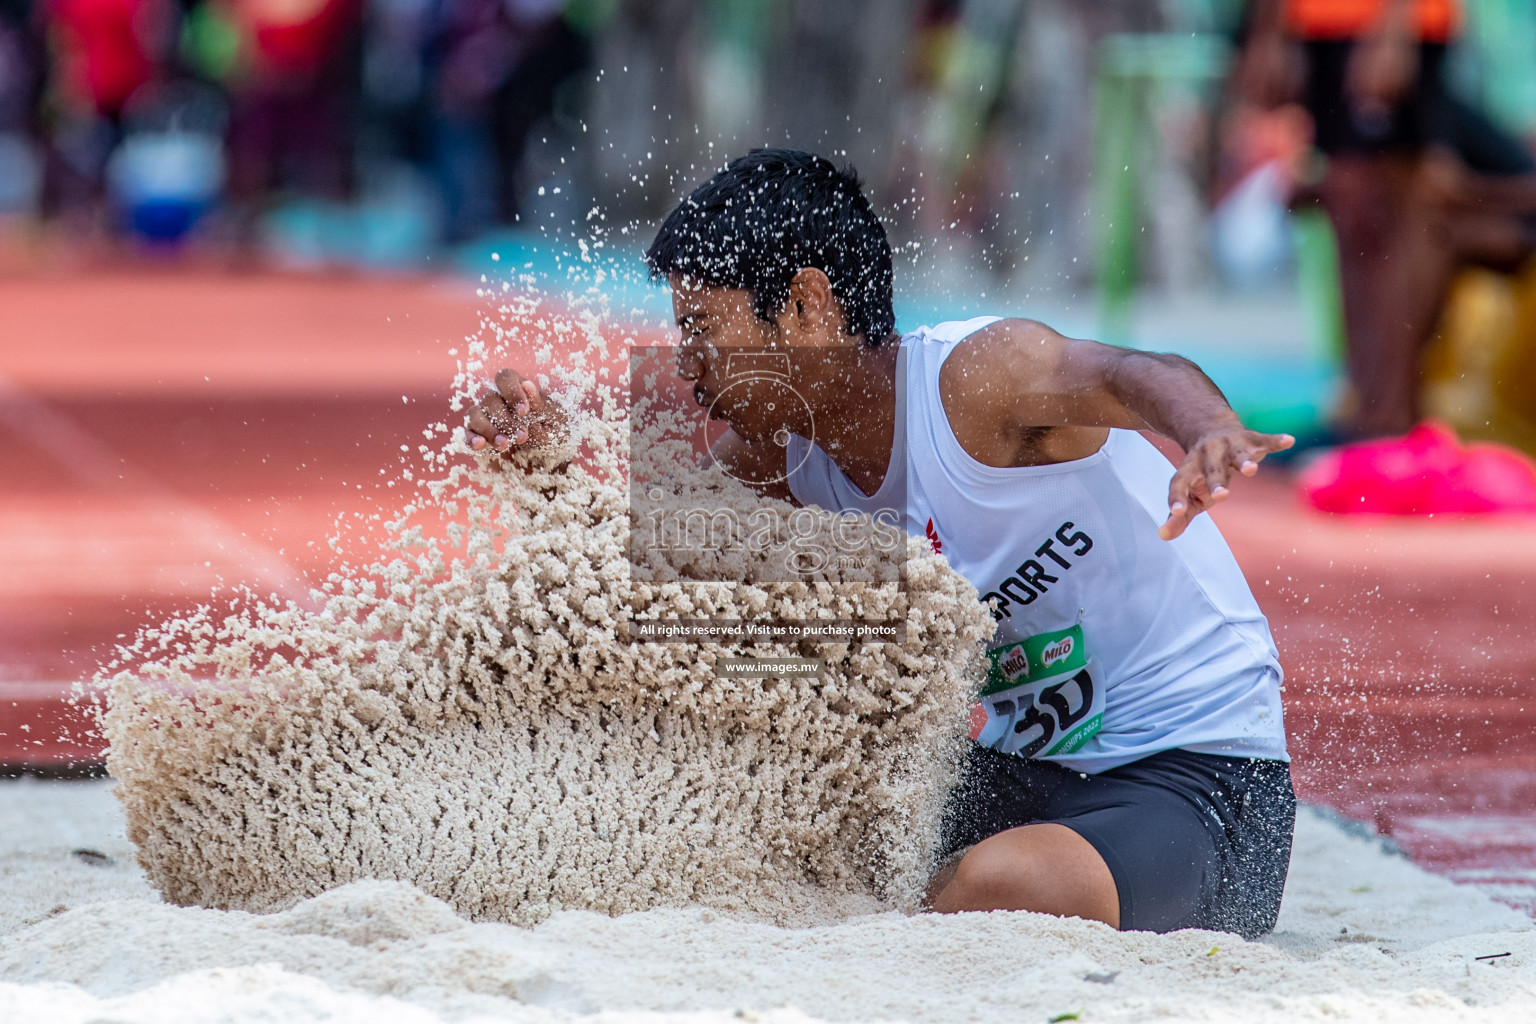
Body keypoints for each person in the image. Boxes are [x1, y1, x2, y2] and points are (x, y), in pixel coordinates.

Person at [464, 149, 1297, 938]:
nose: (686, 365)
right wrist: (548, 475)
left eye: (701, 328)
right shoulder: (770, 460)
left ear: (806, 306)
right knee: (746, 804)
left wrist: (1208, 431)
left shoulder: (977, 381)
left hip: (1199, 778)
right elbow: (652, 613)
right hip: (1014, 776)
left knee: (997, 889)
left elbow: (1127, 374)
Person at [1240, 0, 1536, 438]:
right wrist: (1273, 27)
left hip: (1390, 25)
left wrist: (1397, 23)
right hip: (1327, 22)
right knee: (1356, 208)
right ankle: (1370, 406)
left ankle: (1389, 414)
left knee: (1401, 215)